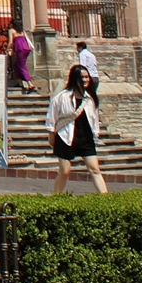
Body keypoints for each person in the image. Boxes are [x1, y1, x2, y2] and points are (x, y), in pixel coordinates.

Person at [48, 65, 108, 195]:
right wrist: (51, 134)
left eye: (87, 77)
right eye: (83, 77)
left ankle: (105, 197)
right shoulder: (62, 97)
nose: (86, 80)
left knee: (95, 169)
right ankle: (56, 196)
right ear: (75, 78)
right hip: (66, 136)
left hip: (85, 137)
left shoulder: (90, 98)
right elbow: (51, 116)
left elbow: (94, 117)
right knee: (64, 171)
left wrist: (96, 134)